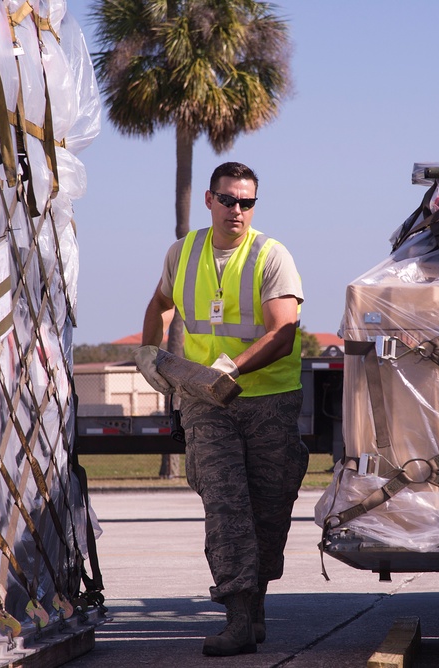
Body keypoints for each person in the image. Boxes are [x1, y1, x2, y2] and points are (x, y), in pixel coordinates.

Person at [134, 161, 309, 657]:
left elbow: (283, 332)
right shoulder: (183, 251)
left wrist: (232, 369)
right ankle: (236, 615)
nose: (237, 210)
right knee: (225, 505)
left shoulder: (272, 257)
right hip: (205, 402)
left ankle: (255, 610)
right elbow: (160, 303)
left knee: (269, 509)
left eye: (247, 202)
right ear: (209, 200)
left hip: (268, 401)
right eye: (229, 199)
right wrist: (149, 350)